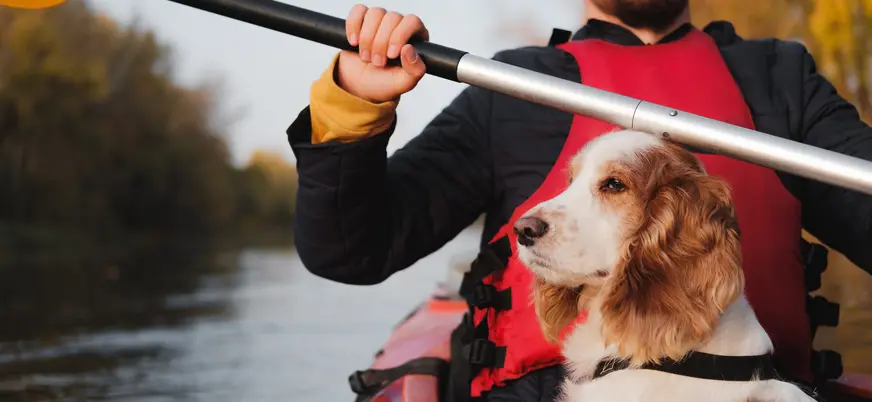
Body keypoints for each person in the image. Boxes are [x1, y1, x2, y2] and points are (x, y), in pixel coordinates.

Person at [286, 0, 872, 401]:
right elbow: (350, 250)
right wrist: (353, 102)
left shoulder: (780, 79)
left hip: (749, 386)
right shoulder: (511, 88)